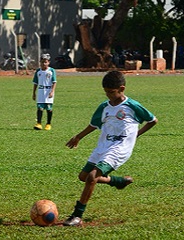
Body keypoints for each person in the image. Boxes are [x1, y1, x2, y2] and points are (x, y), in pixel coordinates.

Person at [63, 71, 158, 226]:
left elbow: (153, 120)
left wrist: (136, 135)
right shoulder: (104, 107)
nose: (108, 95)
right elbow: (94, 124)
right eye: (106, 92)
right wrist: (78, 137)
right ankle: (117, 181)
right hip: (103, 146)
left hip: (120, 148)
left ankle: (77, 215)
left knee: (92, 177)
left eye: (111, 92)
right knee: (83, 176)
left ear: (122, 88)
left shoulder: (132, 106)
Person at [32, 54, 56, 130]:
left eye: (45, 62)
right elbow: (35, 83)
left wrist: (52, 91)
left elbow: (54, 82)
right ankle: (38, 123)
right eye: (42, 62)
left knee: (49, 109)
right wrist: (34, 93)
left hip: (48, 91)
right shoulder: (38, 71)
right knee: (40, 108)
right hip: (41, 91)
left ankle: (48, 124)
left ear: (48, 62)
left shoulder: (51, 71)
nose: (43, 64)